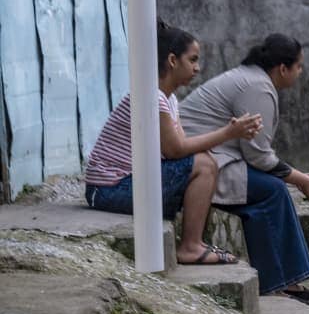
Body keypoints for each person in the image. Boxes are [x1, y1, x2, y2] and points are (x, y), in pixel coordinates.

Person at [84, 20, 261, 265]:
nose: (197, 68)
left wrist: (229, 133)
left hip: (119, 185)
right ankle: (190, 247)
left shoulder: (168, 99)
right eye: (192, 59)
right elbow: (176, 149)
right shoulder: (152, 96)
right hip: (107, 190)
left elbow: (180, 146)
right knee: (204, 165)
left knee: (205, 162)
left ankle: (194, 243)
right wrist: (229, 133)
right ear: (172, 61)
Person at [180, 34, 309, 304]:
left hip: (215, 156)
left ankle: (287, 281)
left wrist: (297, 177)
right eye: (299, 66)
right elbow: (259, 156)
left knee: (271, 188)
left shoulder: (252, 79)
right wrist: (301, 180)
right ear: (282, 68)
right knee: (272, 190)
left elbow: (257, 153)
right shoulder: (258, 87)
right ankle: (278, 283)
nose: (301, 72)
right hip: (202, 160)